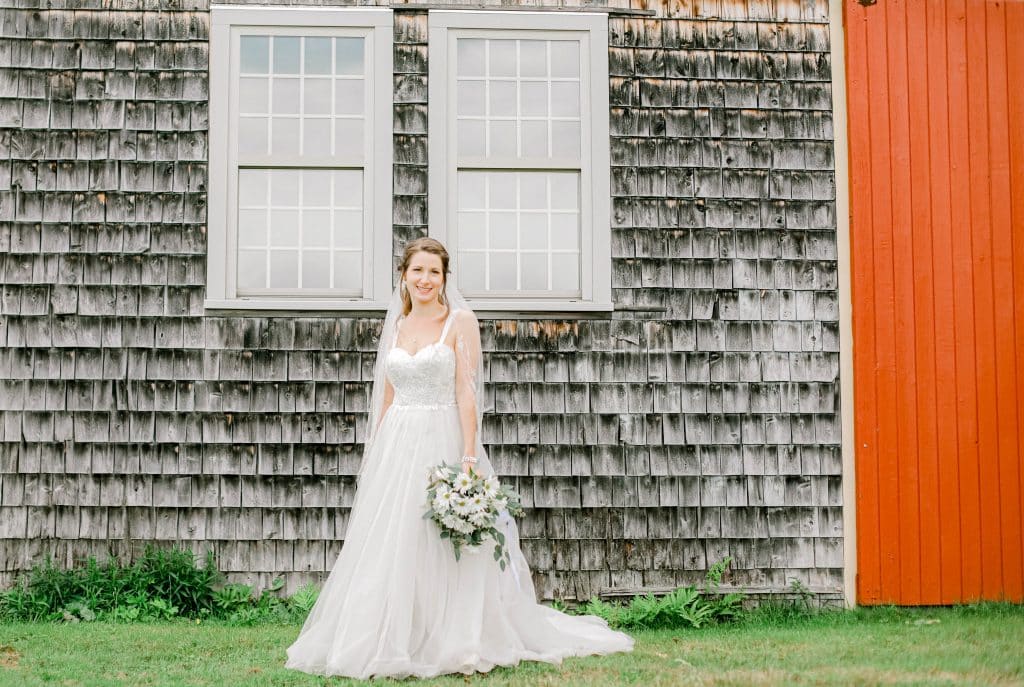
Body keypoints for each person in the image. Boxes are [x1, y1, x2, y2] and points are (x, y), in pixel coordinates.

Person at [285, 237, 634, 679]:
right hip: (397, 442)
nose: (426, 279)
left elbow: (466, 391)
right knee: (394, 541)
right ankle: (395, 633)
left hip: (442, 436)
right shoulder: (396, 326)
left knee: (442, 538)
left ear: (444, 278)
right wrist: (376, 452)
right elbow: (388, 395)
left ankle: (456, 634)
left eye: (434, 271)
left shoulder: (460, 322)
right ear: (404, 276)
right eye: (418, 270)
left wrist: (468, 454)